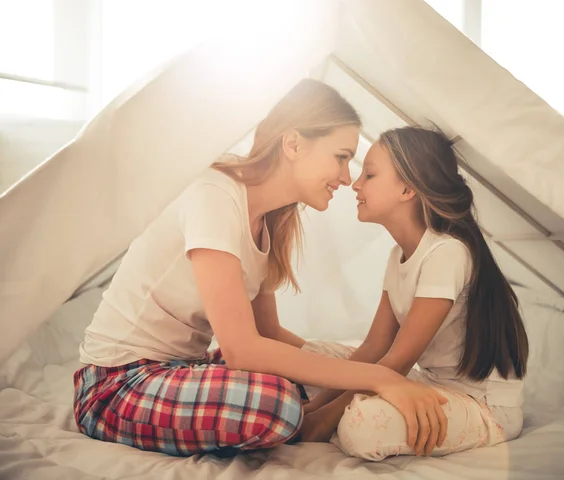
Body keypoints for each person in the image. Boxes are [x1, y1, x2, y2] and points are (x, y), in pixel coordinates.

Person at [72, 80, 448, 457]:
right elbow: (242, 351)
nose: (346, 178)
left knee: (325, 371)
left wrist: (349, 366)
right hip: (118, 384)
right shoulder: (215, 194)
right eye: (340, 156)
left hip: (181, 369)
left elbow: (267, 334)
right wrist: (379, 377)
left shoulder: (267, 221)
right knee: (280, 404)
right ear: (294, 144)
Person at [299, 126, 529, 460]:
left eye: (370, 174)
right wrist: (314, 410)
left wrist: (325, 419)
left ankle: (344, 420)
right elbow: (373, 348)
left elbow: (398, 360)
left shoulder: (448, 253)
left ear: (407, 188)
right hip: (425, 382)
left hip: (482, 407)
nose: (356, 184)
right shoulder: (399, 255)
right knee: (309, 356)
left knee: (361, 425)